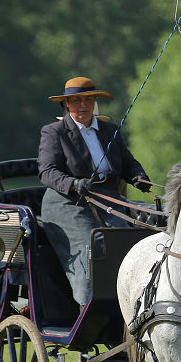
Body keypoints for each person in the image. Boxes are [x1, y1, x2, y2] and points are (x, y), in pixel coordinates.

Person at [38, 77, 152, 305]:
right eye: (76, 100)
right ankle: (87, 306)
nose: (83, 105)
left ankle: (130, 305)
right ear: (66, 104)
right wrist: (73, 183)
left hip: (107, 200)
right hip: (68, 203)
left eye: (88, 99)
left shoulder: (109, 130)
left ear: (94, 102)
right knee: (92, 246)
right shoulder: (54, 132)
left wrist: (138, 177)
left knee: (125, 244)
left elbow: (129, 163)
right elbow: (47, 171)